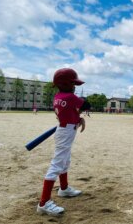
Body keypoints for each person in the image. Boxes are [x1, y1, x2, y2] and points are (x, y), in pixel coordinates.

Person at [36, 68, 91, 216]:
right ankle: (44, 202)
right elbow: (86, 105)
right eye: (73, 83)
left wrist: (78, 118)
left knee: (65, 160)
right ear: (65, 83)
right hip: (65, 131)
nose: (74, 87)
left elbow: (69, 112)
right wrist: (80, 113)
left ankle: (64, 188)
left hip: (64, 129)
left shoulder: (58, 96)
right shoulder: (70, 97)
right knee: (57, 163)